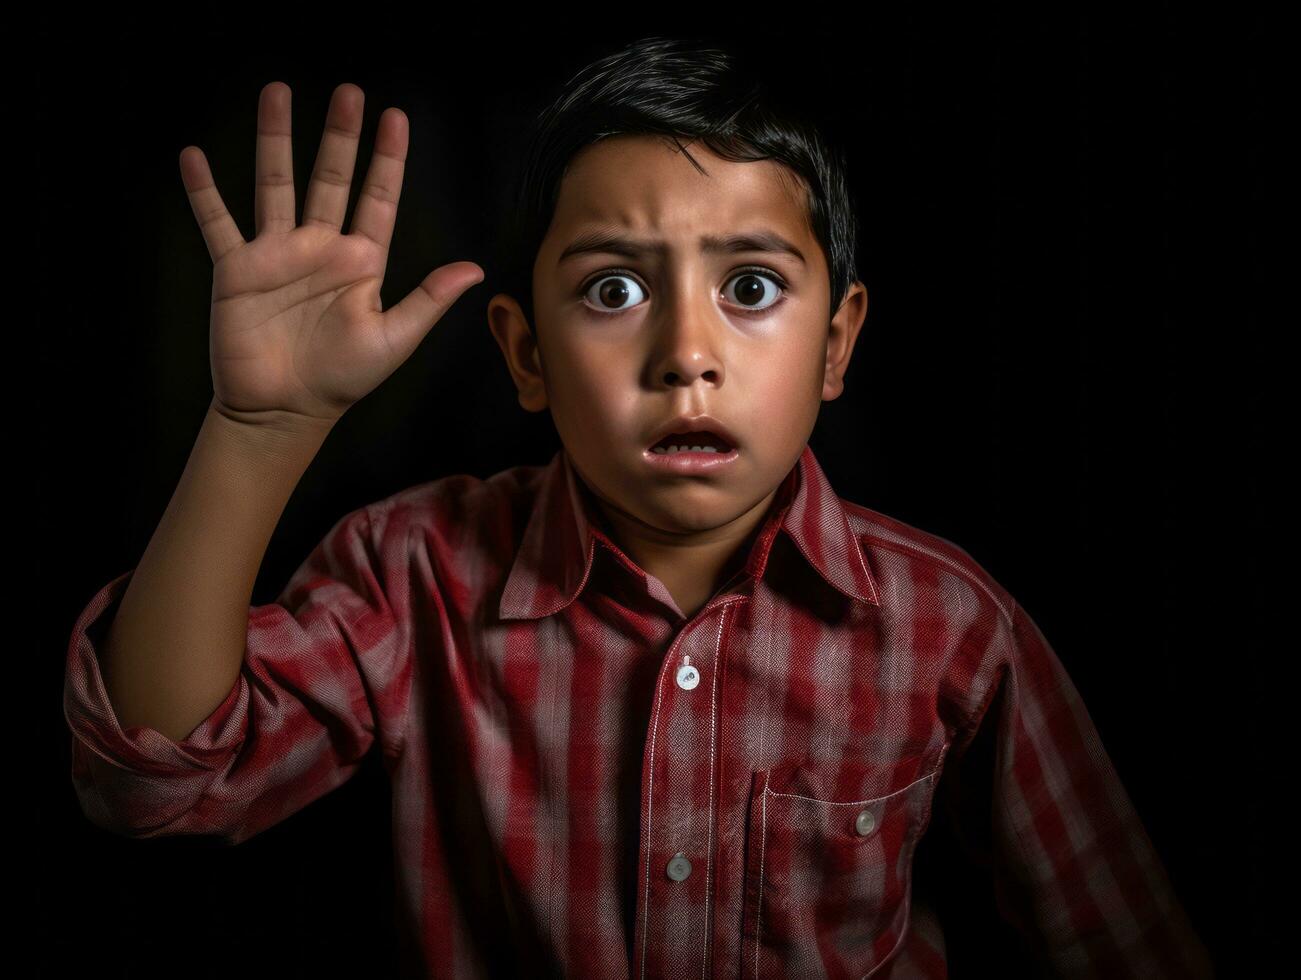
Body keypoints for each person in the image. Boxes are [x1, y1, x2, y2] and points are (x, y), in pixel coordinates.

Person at [62, 35, 1214, 979]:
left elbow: (1121, 939)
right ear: (523, 356)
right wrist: (258, 433)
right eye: (613, 289)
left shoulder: (947, 623)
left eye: (750, 288)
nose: (685, 355)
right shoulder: (411, 570)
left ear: (837, 341)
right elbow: (156, 781)